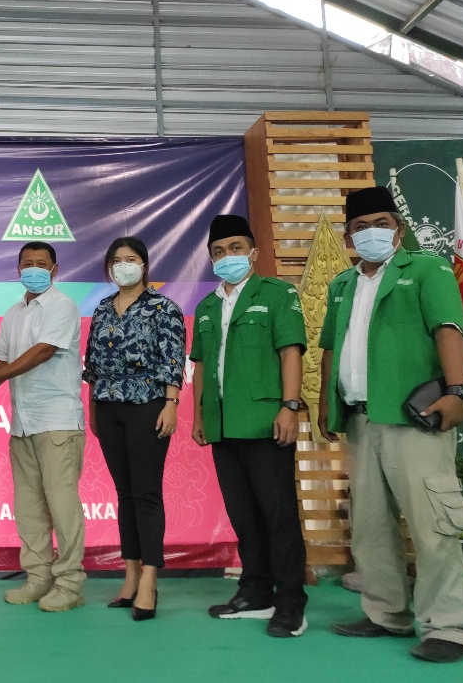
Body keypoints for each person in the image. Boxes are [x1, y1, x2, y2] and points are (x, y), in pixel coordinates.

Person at [319, 186, 463, 664]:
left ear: (399, 229)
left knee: (432, 525)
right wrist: (327, 407)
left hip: (414, 419)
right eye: (360, 227)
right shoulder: (342, 285)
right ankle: (386, 613)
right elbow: (331, 348)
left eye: (381, 224)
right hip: (360, 418)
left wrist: (459, 392)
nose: (372, 233)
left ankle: (449, 628)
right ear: (349, 237)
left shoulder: (427, 270)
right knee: (369, 527)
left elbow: (448, 329)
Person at [190, 214, 308, 638]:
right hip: (223, 424)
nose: (228, 257)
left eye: (236, 248)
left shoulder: (277, 294)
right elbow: (200, 366)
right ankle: (256, 592)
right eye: (219, 251)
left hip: (265, 422)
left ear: (253, 252)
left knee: (279, 515)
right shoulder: (206, 307)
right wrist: (199, 415)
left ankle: (291, 602)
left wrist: (289, 406)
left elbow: (290, 351)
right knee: (243, 515)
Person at [0, 241, 86, 612]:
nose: (33, 268)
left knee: (62, 505)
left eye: (41, 263)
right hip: (22, 423)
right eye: (27, 263)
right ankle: (39, 578)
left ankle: (70, 583)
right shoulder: (13, 313)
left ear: (54, 270)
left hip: (57, 421)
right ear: (18, 269)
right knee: (29, 507)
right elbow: (3, 362)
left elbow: (43, 351)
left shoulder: (62, 305)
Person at [83, 237, 185, 621]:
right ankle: (129, 575)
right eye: (117, 260)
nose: (123, 265)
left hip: (149, 405)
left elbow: (173, 360)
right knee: (124, 494)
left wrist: (171, 403)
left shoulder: (163, 307)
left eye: (131, 259)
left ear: (144, 265)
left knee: (146, 493)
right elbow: (92, 364)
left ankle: (150, 579)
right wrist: (93, 407)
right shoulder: (102, 308)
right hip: (107, 406)